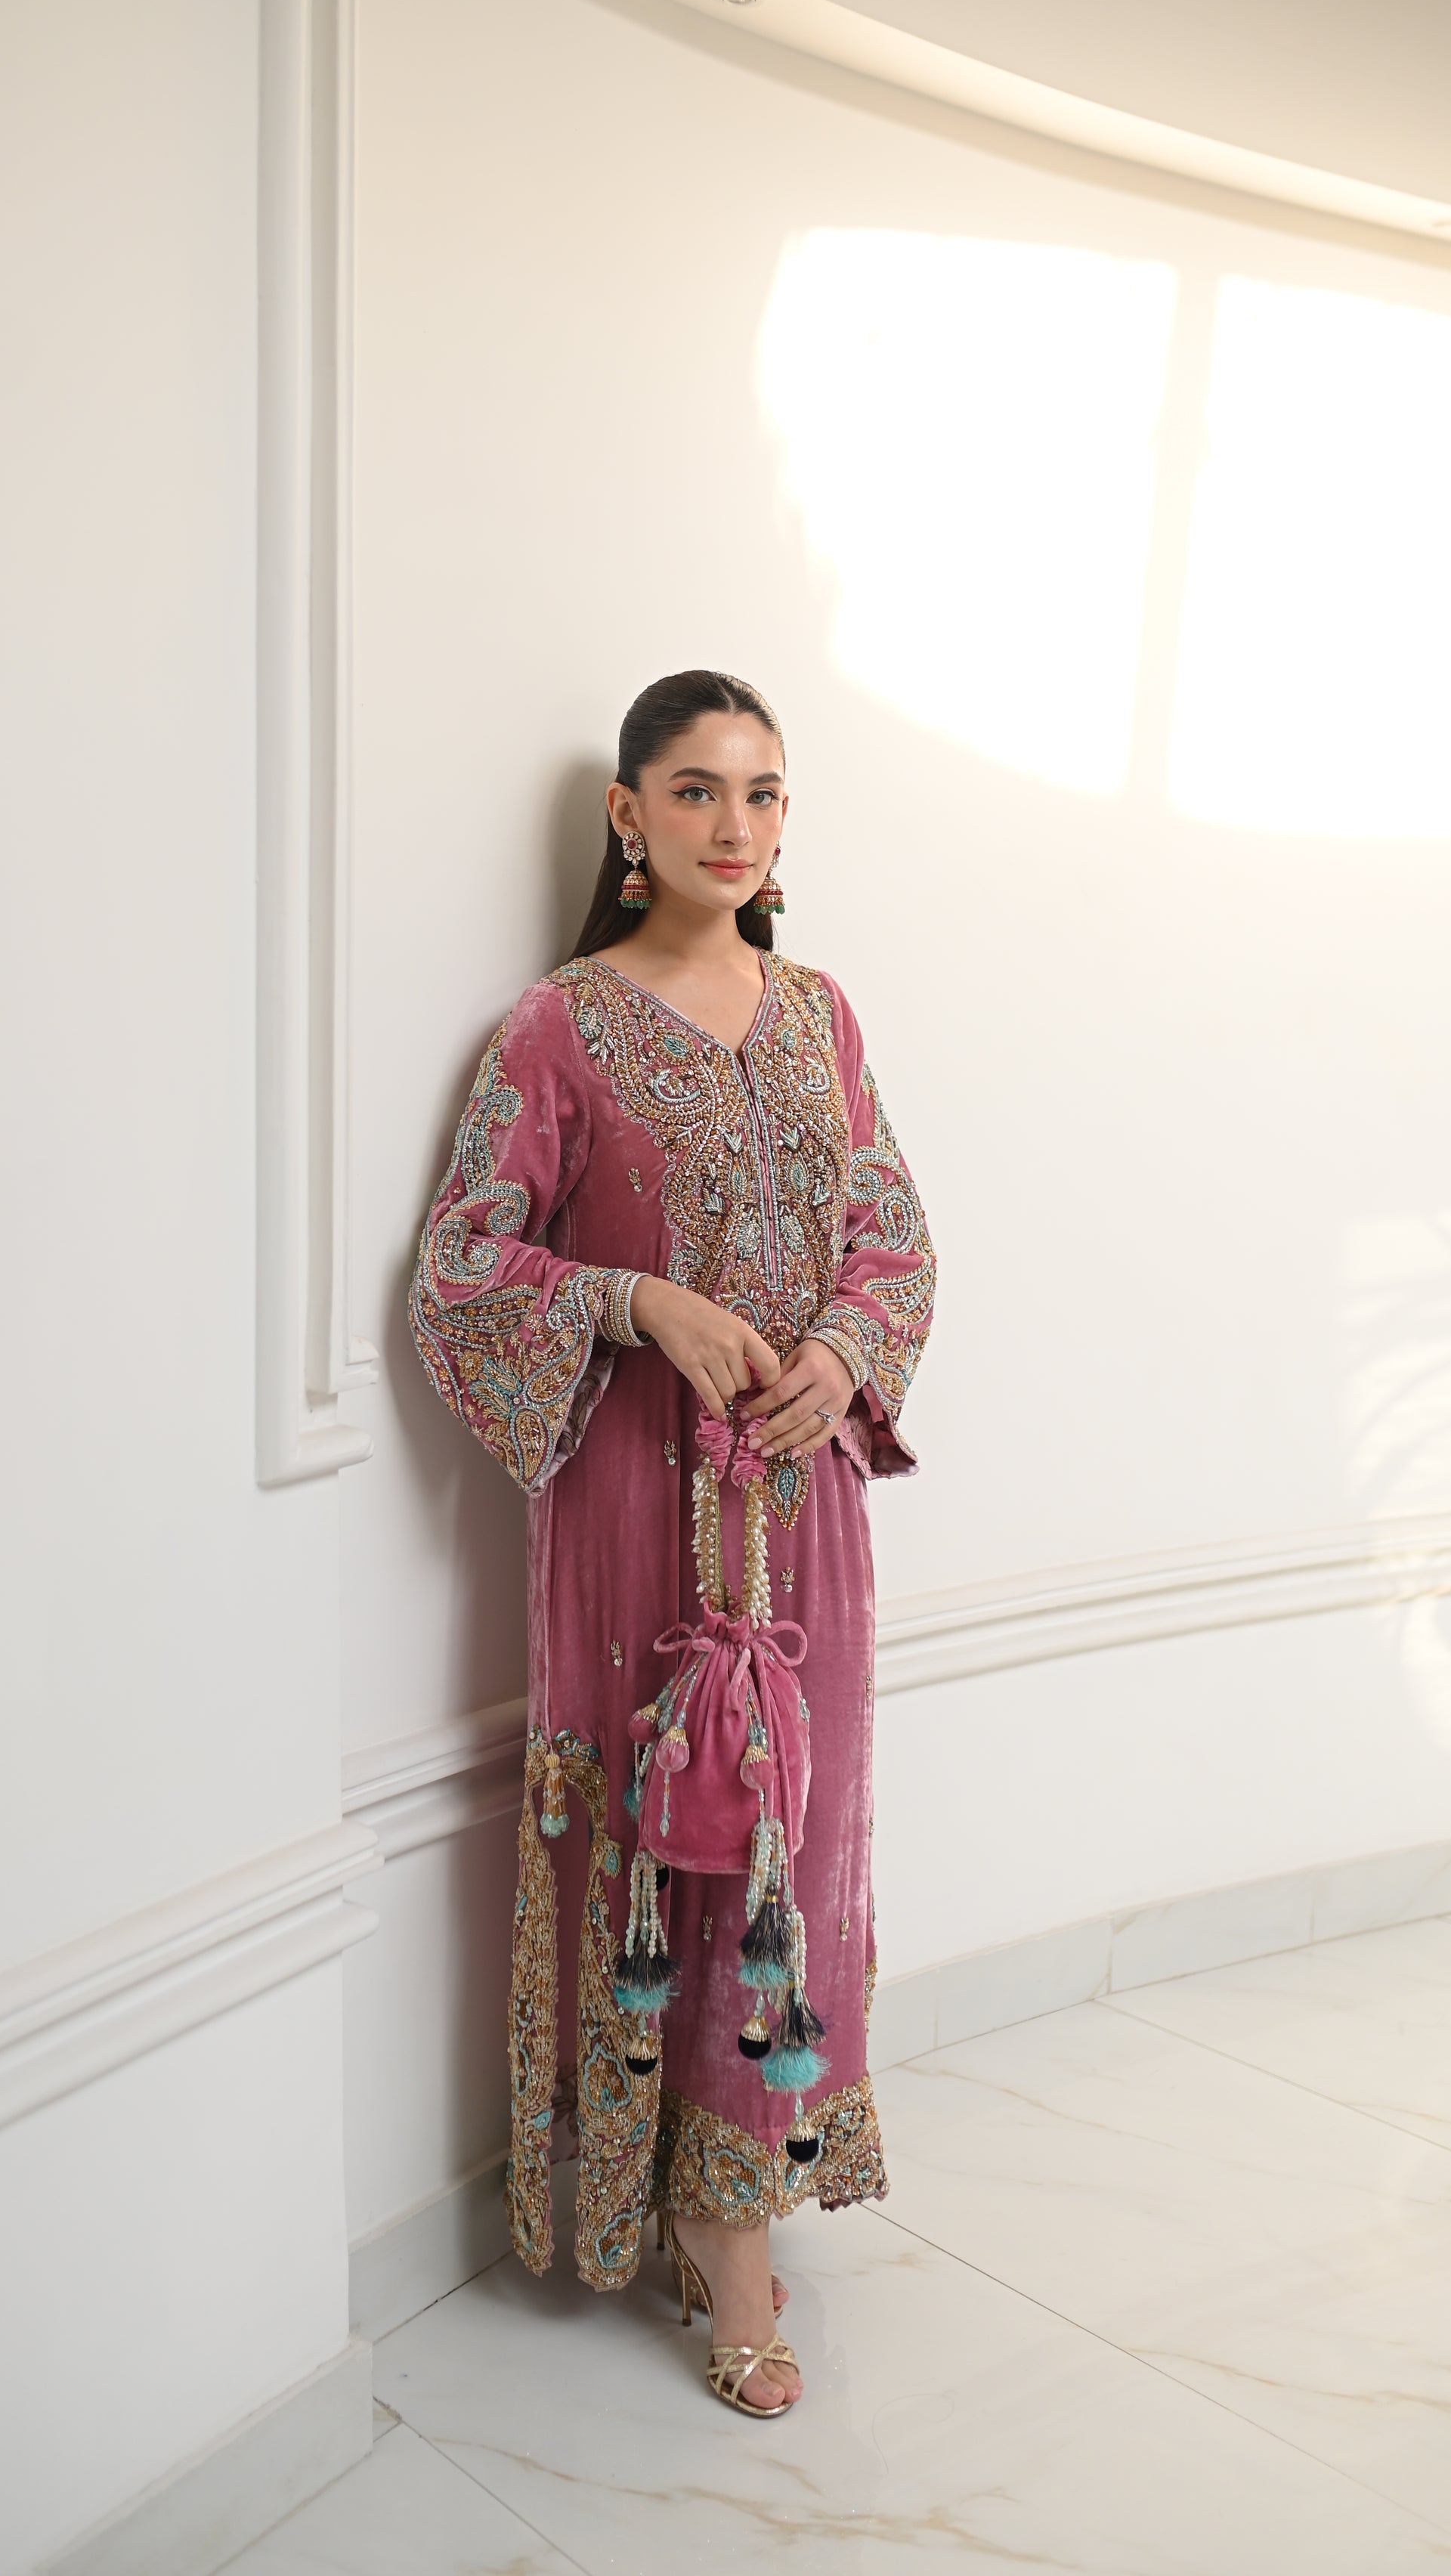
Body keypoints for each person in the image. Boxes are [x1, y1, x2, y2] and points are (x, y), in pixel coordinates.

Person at [409, 670, 935, 2414]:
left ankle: (740, 2207)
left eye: (765, 792)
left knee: (790, 1838)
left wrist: (845, 1350)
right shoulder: (555, 1032)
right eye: (699, 790)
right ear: (628, 815)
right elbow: (463, 1265)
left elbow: (893, 1234)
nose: (737, 825)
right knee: (667, 1845)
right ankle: (682, 2216)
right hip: (635, 1512)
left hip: (802, 1508)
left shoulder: (822, 1017)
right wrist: (638, 1303)